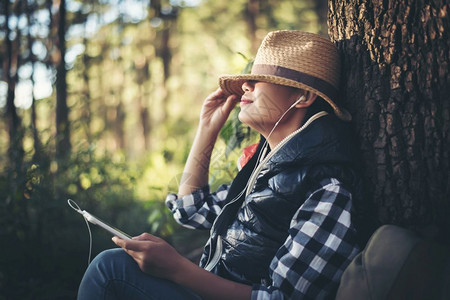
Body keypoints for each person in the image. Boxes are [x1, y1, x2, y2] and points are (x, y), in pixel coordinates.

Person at [77, 30, 370, 299]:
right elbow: (191, 210)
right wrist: (207, 129)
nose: (245, 84)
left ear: (302, 96)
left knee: (111, 269)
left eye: (259, 80)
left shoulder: (327, 186)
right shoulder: (270, 164)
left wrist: (178, 269)